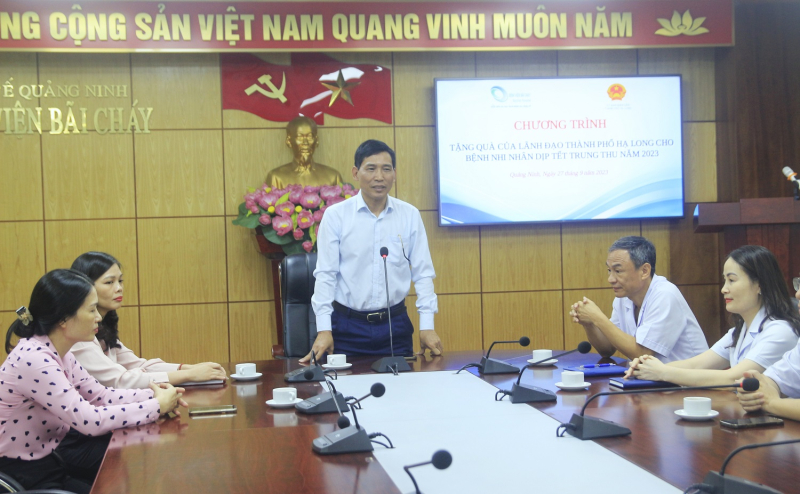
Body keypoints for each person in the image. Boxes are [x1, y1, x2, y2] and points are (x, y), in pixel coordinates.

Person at [0, 270, 184, 493]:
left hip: (47, 464)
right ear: (63, 318)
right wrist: (156, 406)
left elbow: (101, 395)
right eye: (91, 310)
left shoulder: (60, 352)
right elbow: (89, 420)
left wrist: (156, 394)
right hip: (18, 473)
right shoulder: (34, 359)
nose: (98, 317)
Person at [302, 139, 442, 362]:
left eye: (386, 169)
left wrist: (427, 326)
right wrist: (324, 330)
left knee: (403, 384)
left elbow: (423, 273)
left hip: (395, 327)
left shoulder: (409, 215)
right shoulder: (336, 216)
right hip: (347, 328)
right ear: (355, 173)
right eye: (371, 169)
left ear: (394, 174)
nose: (379, 177)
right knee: (346, 385)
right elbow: (326, 275)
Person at [625, 246, 800, 386]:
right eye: (725, 280)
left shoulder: (779, 331)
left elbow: (733, 378)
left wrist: (662, 372)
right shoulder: (739, 330)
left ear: (759, 285)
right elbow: (696, 365)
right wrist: (645, 368)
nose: (724, 289)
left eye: (732, 280)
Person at [70, 252, 227, 388]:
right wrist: (189, 375)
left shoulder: (103, 327)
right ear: (85, 286)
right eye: (109, 282)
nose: (119, 288)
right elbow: (121, 381)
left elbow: (138, 365)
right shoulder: (78, 334)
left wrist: (189, 368)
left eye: (120, 281)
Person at [570, 236, 708, 362]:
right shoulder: (623, 298)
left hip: (688, 380)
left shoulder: (665, 295)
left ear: (644, 271)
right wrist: (589, 324)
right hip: (652, 378)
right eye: (609, 270)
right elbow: (607, 350)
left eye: (618, 271)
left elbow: (642, 354)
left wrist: (597, 317)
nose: (610, 279)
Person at [738, 275, 800, 421]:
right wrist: (757, 392)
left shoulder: (781, 330)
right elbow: (775, 379)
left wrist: (772, 403)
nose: (797, 294)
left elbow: (769, 399)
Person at [265, 116, 344, 189]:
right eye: (299, 137)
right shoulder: (276, 178)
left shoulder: (333, 177)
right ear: (289, 141)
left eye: (310, 136)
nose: (305, 142)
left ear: (316, 140)